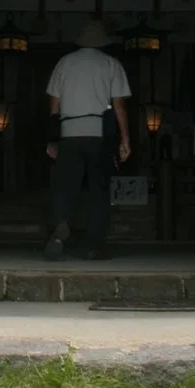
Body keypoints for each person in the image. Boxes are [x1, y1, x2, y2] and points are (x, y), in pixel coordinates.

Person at [44, 18, 132, 261]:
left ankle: (61, 225)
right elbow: (119, 108)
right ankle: (95, 246)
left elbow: (54, 106)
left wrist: (53, 141)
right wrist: (125, 141)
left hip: (69, 133)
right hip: (98, 135)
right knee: (98, 191)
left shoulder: (65, 63)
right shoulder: (110, 64)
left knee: (64, 188)